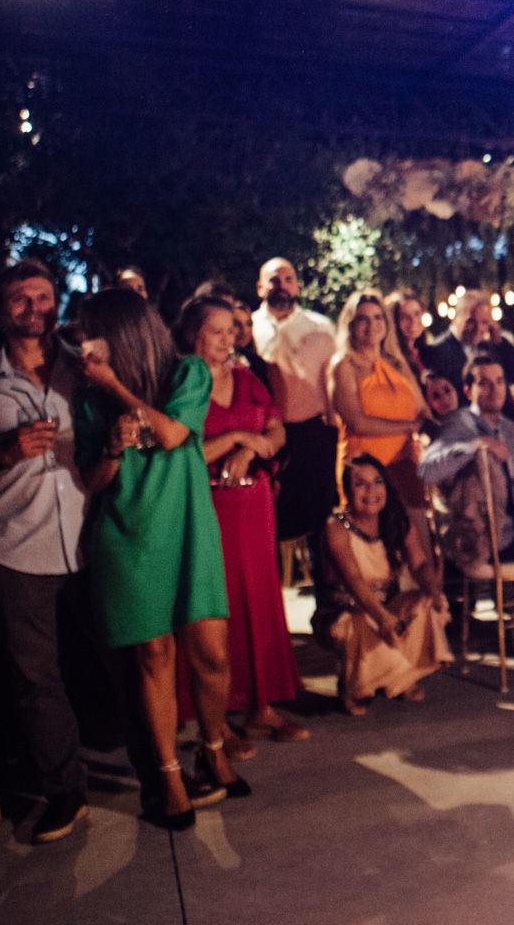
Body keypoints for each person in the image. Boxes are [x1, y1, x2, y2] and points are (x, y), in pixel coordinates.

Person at [72, 288, 246, 830]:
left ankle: (213, 746)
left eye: (90, 330)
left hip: (186, 525)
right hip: (127, 533)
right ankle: (169, 775)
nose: (83, 343)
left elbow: (172, 434)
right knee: (153, 654)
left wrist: (115, 387)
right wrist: (113, 448)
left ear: (120, 331)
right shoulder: (87, 399)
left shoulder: (187, 373)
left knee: (212, 652)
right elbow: (93, 481)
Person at [0, 259, 95, 843]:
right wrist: (2, 456)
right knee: (36, 681)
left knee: (120, 656)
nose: (34, 308)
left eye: (43, 296)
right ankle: (65, 789)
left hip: (94, 536)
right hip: (15, 547)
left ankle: (145, 759)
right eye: (20, 299)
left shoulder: (85, 371)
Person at [173, 297, 304, 747]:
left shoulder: (247, 378)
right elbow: (180, 454)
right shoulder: (182, 384)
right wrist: (234, 437)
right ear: (194, 334)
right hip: (208, 507)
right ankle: (216, 719)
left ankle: (260, 706)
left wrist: (249, 448)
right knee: (216, 607)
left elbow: (277, 432)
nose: (229, 338)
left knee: (258, 600)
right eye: (218, 330)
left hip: (254, 505)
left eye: (232, 330)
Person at [315, 455, 450, 713]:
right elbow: (354, 582)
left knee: (423, 604)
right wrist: (383, 618)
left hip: (387, 606)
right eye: (360, 484)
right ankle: (358, 686)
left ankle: (404, 676)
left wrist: (434, 592)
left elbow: (420, 563)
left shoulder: (397, 519)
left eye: (378, 482)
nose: (372, 491)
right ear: (347, 491)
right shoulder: (336, 528)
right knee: (360, 623)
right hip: (346, 612)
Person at [251, 259, 338, 575]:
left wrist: (331, 433)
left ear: (297, 286)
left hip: (312, 435)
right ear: (260, 287)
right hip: (264, 439)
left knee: (320, 525)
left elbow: (331, 385)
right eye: (274, 280)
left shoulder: (321, 327)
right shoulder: (248, 328)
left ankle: (329, 612)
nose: (281, 285)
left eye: (288, 278)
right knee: (267, 522)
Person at [421, 358, 514, 581]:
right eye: (484, 383)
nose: (494, 389)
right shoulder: (460, 422)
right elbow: (427, 470)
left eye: (499, 381)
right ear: (468, 391)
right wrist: (476, 445)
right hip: (490, 541)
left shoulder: (509, 428)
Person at [328, 292, 429, 545]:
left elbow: (421, 409)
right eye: (363, 319)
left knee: (418, 544)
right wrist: (408, 426)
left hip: (405, 464)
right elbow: (357, 422)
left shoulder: (396, 362)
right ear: (350, 325)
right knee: (377, 549)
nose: (372, 325)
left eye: (377, 317)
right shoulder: (344, 366)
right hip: (367, 471)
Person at [421, 290, 514, 388]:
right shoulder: (436, 351)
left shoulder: (486, 347)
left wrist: (500, 343)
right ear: (455, 318)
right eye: (471, 321)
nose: (479, 328)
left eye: (484, 322)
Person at [385, 288, 432, 382]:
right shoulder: (394, 359)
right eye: (404, 317)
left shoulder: (421, 353)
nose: (413, 321)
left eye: (417, 314)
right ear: (394, 322)